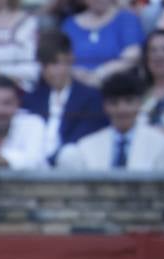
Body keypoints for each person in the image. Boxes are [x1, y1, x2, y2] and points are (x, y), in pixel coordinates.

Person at [57, 69, 164, 168]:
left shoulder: (161, 144)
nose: (122, 109)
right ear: (105, 106)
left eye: (129, 101)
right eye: (114, 103)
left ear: (139, 104)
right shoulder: (87, 146)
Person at [23, 29, 110, 164]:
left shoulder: (91, 98)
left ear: (71, 59)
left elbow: (81, 139)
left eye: (57, 63)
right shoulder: (31, 99)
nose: (51, 71)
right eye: (46, 65)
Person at [62, 0, 144, 86]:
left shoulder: (127, 19)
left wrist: (100, 73)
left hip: (116, 86)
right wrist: (76, 72)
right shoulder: (69, 24)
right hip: (77, 84)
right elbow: (61, 58)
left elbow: (133, 55)